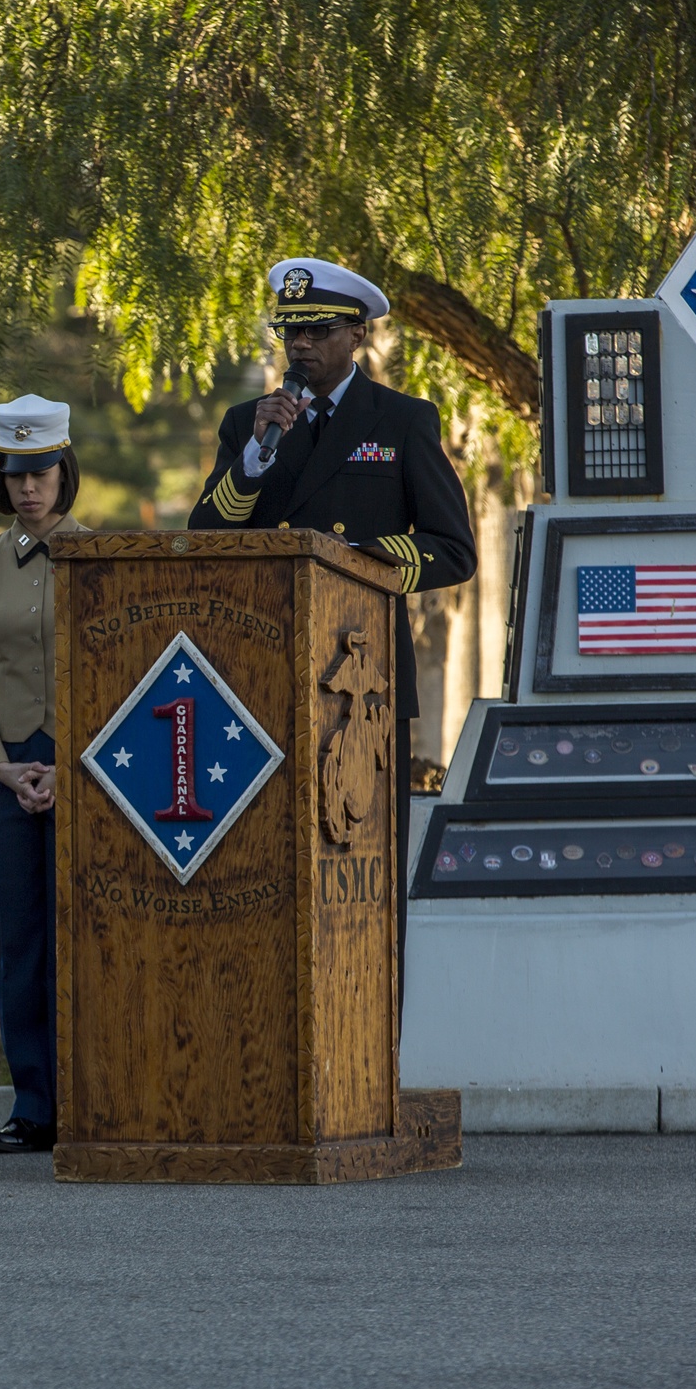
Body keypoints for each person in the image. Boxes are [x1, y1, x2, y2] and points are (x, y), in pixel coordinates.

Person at [188, 258, 477, 1025]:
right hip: (265, 684)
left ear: (358, 333)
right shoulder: (251, 425)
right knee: (273, 878)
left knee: (364, 884)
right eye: (289, 331)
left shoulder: (402, 421)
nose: (301, 346)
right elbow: (208, 536)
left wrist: (362, 563)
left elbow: (454, 549)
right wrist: (255, 455)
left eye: (316, 331)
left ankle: (373, 1050)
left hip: (364, 688)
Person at [0, 394, 86, 1152]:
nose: (28, 488)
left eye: (40, 473)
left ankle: (91, 1102)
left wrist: (69, 766)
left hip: (86, 774)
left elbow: (120, 672)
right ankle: (33, 1106)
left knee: (87, 937)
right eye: (15, 475)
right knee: (21, 943)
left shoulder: (102, 558)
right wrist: (4, 768)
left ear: (64, 471)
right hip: (5, 782)